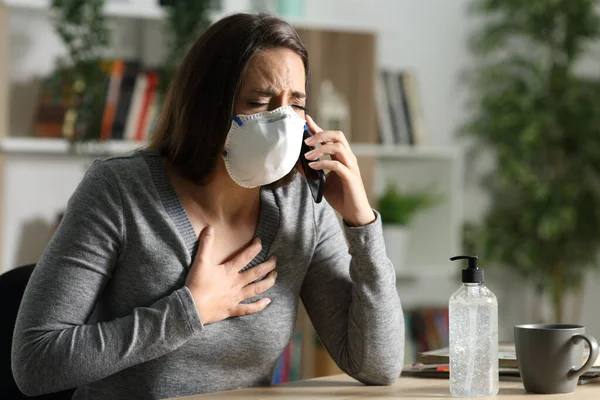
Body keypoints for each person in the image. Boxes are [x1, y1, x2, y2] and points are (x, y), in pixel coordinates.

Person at [11, 12, 404, 399]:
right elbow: (35, 362)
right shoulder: (119, 190)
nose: (282, 120)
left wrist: (361, 222)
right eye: (258, 101)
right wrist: (189, 311)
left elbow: (376, 365)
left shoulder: (302, 204)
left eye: (295, 104)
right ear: (207, 106)